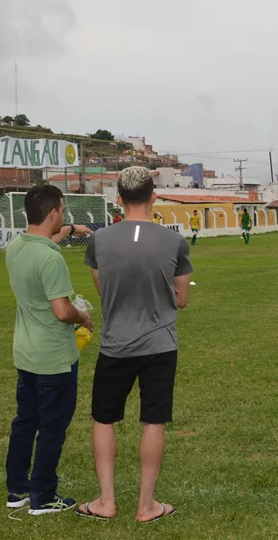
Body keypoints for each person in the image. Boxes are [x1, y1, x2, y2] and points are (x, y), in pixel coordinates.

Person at [80, 166, 192, 523]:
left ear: (119, 199)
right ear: (153, 196)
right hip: (160, 344)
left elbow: (103, 290)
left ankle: (106, 501)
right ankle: (146, 505)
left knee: (103, 419)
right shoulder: (174, 241)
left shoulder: (99, 240)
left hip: (116, 345)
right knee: (153, 422)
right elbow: (182, 299)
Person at [4, 184, 94, 516]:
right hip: (54, 359)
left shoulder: (16, 246)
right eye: (64, 211)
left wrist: (72, 230)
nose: (65, 215)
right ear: (53, 212)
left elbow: (45, 242)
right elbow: (61, 311)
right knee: (52, 427)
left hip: (26, 354)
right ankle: (43, 496)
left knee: (25, 421)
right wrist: (82, 316)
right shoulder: (50, 258)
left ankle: (17, 488)